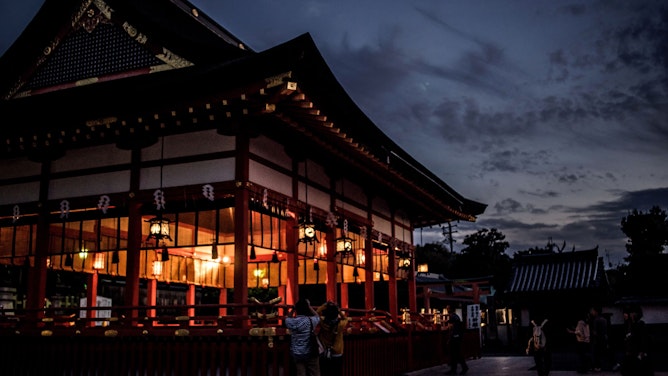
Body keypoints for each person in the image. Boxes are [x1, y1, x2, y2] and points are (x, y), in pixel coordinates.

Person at [285, 298, 321, 376]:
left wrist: (293, 309)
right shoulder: (310, 321)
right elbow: (317, 316)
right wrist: (309, 307)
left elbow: (287, 318)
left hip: (297, 352)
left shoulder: (291, 322)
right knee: (314, 373)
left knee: (301, 373)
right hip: (310, 351)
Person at [316, 301, 349, 376]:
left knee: (325, 372)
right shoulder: (340, 325)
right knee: (337, 372)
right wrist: (338, 310)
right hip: (337, 352)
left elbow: (317, 313)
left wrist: (325, 305)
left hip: (325, 352)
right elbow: (345, 319)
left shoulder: (323, 323)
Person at [620, 305, 653, 376]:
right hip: (631, 352)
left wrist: (642, 352)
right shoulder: (630, 324)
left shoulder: (640, 324)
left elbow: (643, 339)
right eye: (631, 313)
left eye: (633, 313)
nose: (631, 315)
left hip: (637, 351)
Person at [445, 310, 469, 375]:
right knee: (456, 355)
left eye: (450, 323)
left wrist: (450, 340)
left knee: (456, 355)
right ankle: (455, 369)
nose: (449, 325)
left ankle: (462, 368)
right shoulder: (457, 322)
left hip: (455, 341)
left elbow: (454, 335)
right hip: (457, 340)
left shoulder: (455, 326)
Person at [590, 306, 609, 372]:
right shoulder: (604, 319)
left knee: (595, 354)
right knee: (603, 353)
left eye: (592, 311)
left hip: (597, 340)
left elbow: (595, 332)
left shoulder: (596, 320)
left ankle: (597, 367)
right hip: (603, 338)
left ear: (596, 312)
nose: (591, 312)